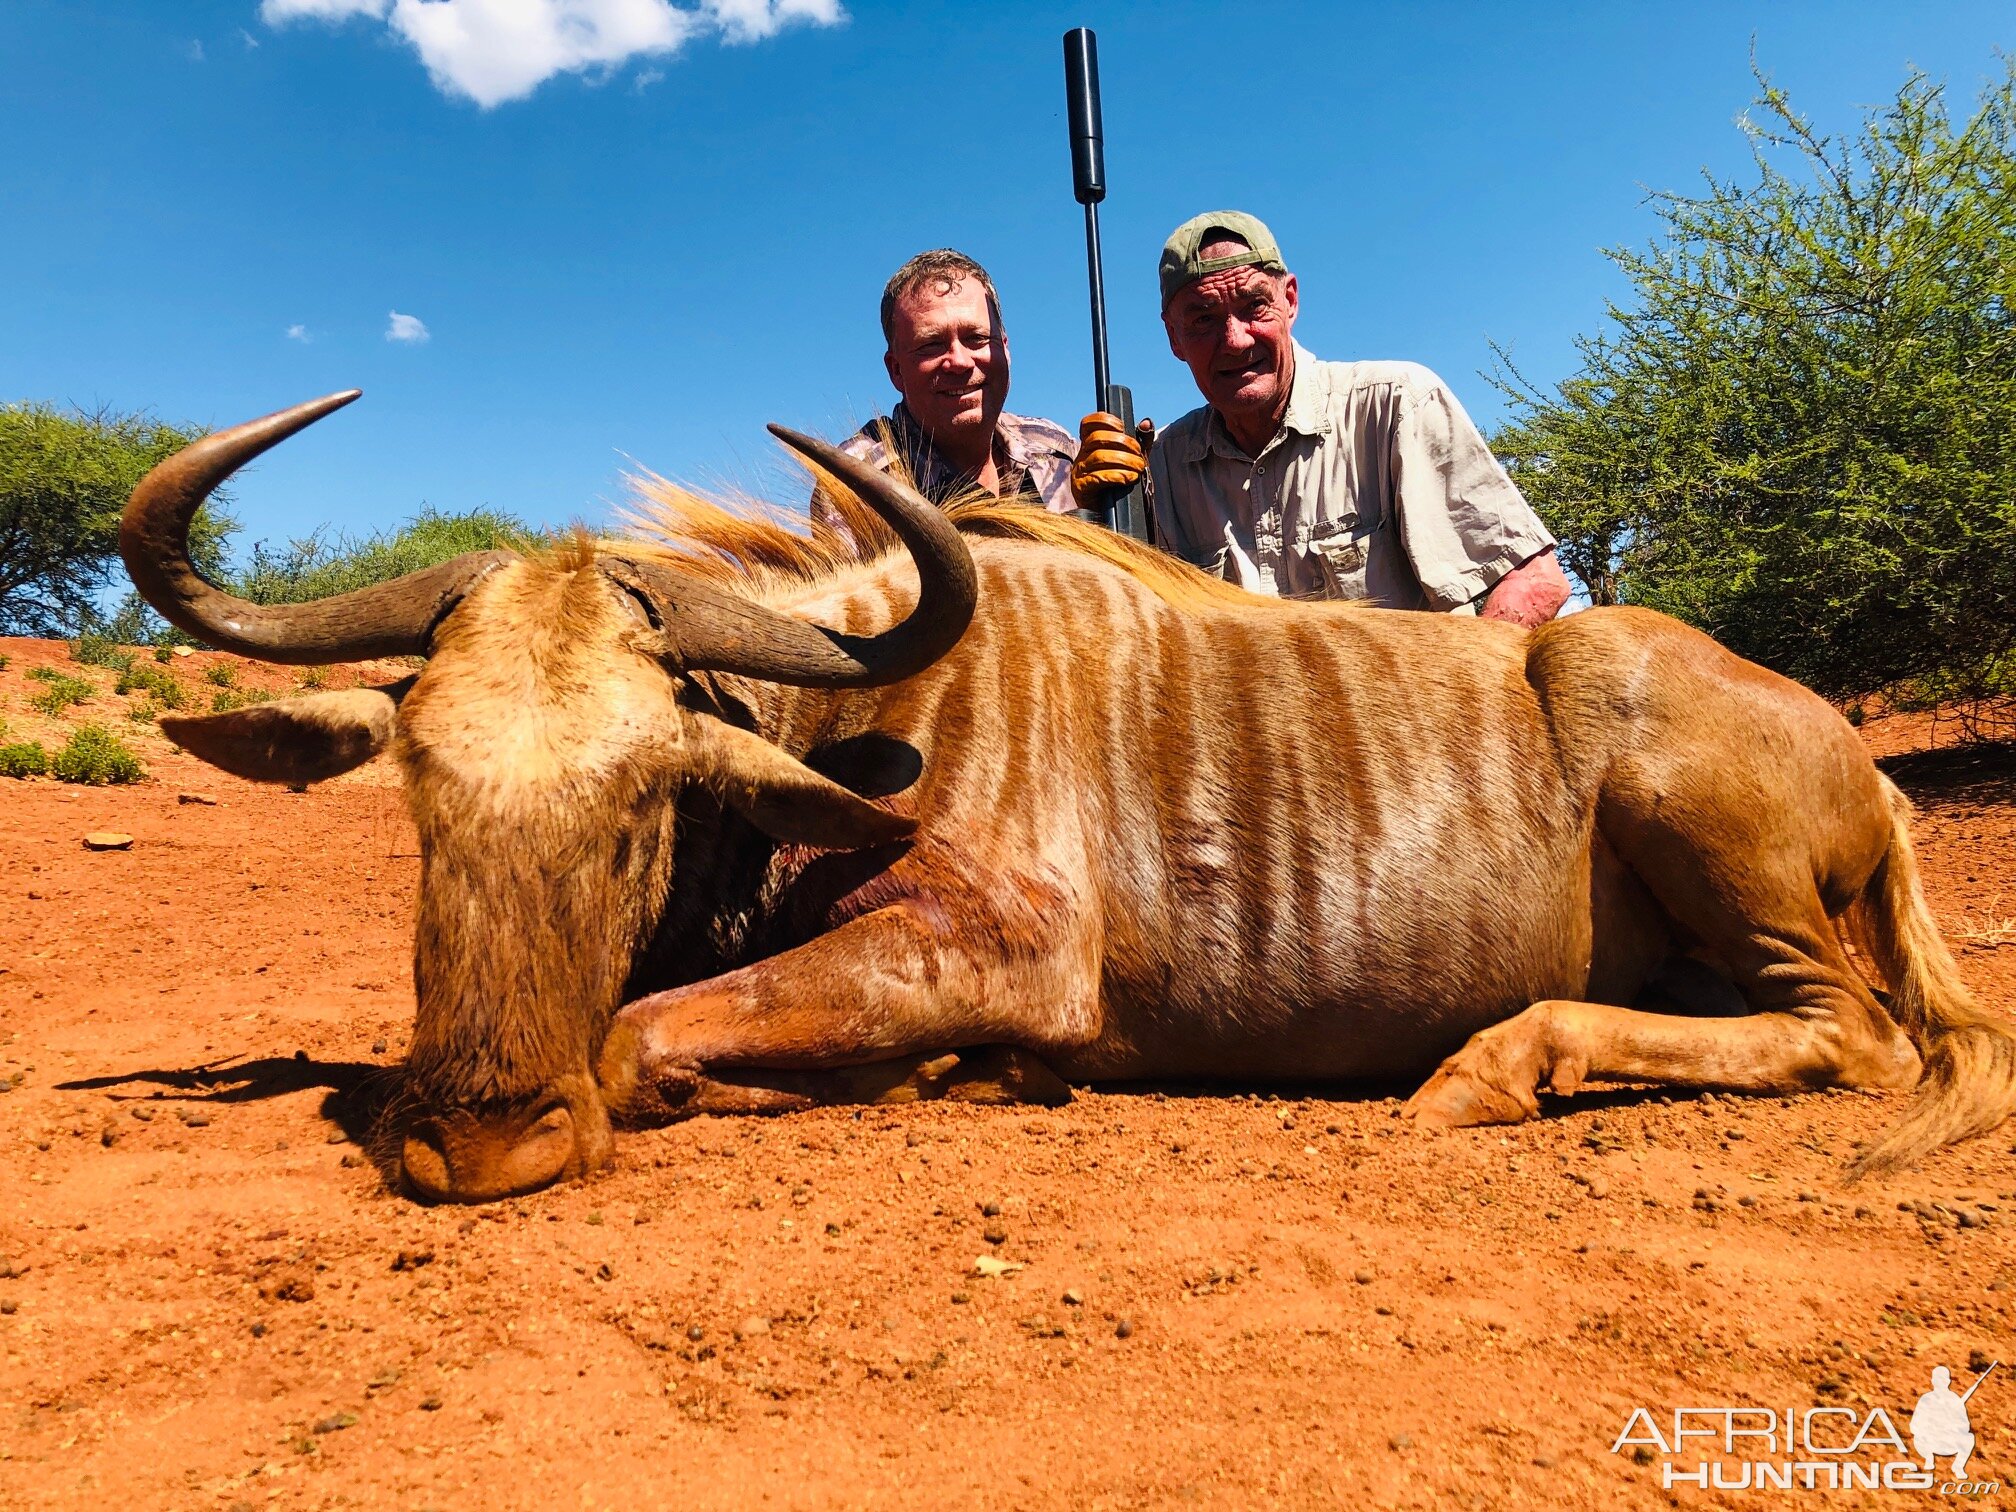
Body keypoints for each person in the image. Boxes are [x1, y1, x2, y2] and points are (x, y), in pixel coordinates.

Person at [1071, 212, 1571, 625]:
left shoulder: (1397, 404)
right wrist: (1098, 520)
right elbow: (1119, 624)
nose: (1235, 339)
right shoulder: (1161, 468)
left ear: (1289, 300)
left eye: (1254, 307)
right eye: (1202, 319)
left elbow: (1534, 579)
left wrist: (1463, 708)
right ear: (1174, 338)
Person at [817, 250, 1077, 535]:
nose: (960, 362)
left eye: (976, 339)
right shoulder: (854, 483)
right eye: (931, 345)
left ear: (1004, 348)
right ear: (896, 370)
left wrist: (1120, 498)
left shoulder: (1057, 450)